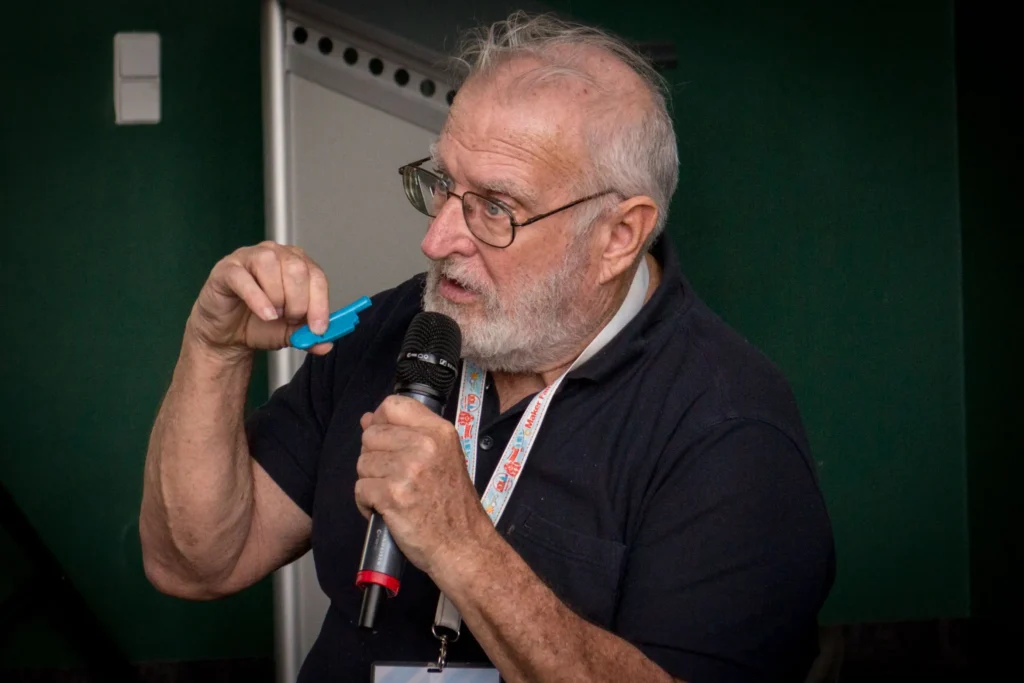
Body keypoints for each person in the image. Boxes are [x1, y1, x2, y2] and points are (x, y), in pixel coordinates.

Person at [140, 11, 834, 683]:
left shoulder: (730, 427)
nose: (437, 241)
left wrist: (463, 547)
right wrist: (215, 348)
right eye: (444, 185)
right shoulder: (399, 325)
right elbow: (195, 563)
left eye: (496, 206)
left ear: (618, 236)